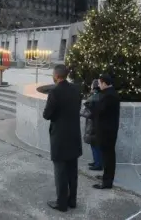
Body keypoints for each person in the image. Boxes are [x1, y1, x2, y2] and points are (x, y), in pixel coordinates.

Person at [43, 64, 82, 212]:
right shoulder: (76, 89)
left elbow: (46, 115)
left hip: (60, 138)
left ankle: (61, 203)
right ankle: (72, 201)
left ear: (56, 76)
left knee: (60, 172)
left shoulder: (55, 92)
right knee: (72, 171)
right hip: (74, 136)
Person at [93, 74, 121, 190]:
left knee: (108, 156)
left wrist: (92, 107)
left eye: (99, 83)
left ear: (104, 83)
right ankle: (106, 176)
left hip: (107, 131)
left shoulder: (109, 96)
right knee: (106, 156)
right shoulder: (109, 93)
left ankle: (107, 182)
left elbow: (100, 111)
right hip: (107, 130)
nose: (99, 85)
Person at [80, 79, 102, 171]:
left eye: (92, 85)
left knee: (95, 145)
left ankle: (98, 164)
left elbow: (88, 113)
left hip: (93, 125)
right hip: (96, 124)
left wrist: (81, 112)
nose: (90, 87)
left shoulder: (94, 98)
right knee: (95, 145)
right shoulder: (99, 96)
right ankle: (96, 162)